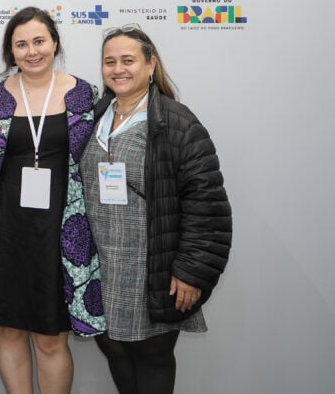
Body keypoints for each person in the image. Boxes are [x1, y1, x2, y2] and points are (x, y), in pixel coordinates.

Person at [80, 24, 231, 394]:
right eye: (109, 61)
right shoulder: (94, 117)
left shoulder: (176, 123)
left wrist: (192, 272)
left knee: (152, 356)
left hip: (153, 266)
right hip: (101, 264)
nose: (118, 69)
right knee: (114, 349)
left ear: (151, 65)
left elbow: (207, 205)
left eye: (128, 60)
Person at [0, 6, 106, 394]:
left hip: (60, 234)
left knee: (51, 337)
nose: (32, 51)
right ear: (10, 52)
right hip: (5, 231)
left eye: (39, 41)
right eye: (21, 44)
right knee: (10, 329)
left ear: (55, 43)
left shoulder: (84, 94)